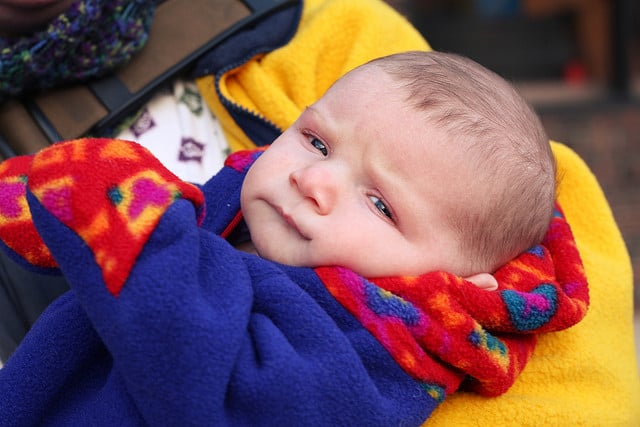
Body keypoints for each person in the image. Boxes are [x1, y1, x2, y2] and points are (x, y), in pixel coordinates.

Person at [0, 50, 588, 425]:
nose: (315, 183)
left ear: (453, 285)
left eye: (381, 204)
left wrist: (125, 218)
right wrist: (49, 204)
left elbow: (220, 397)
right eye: (318, 142)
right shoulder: (246, 207)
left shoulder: (384, 343)